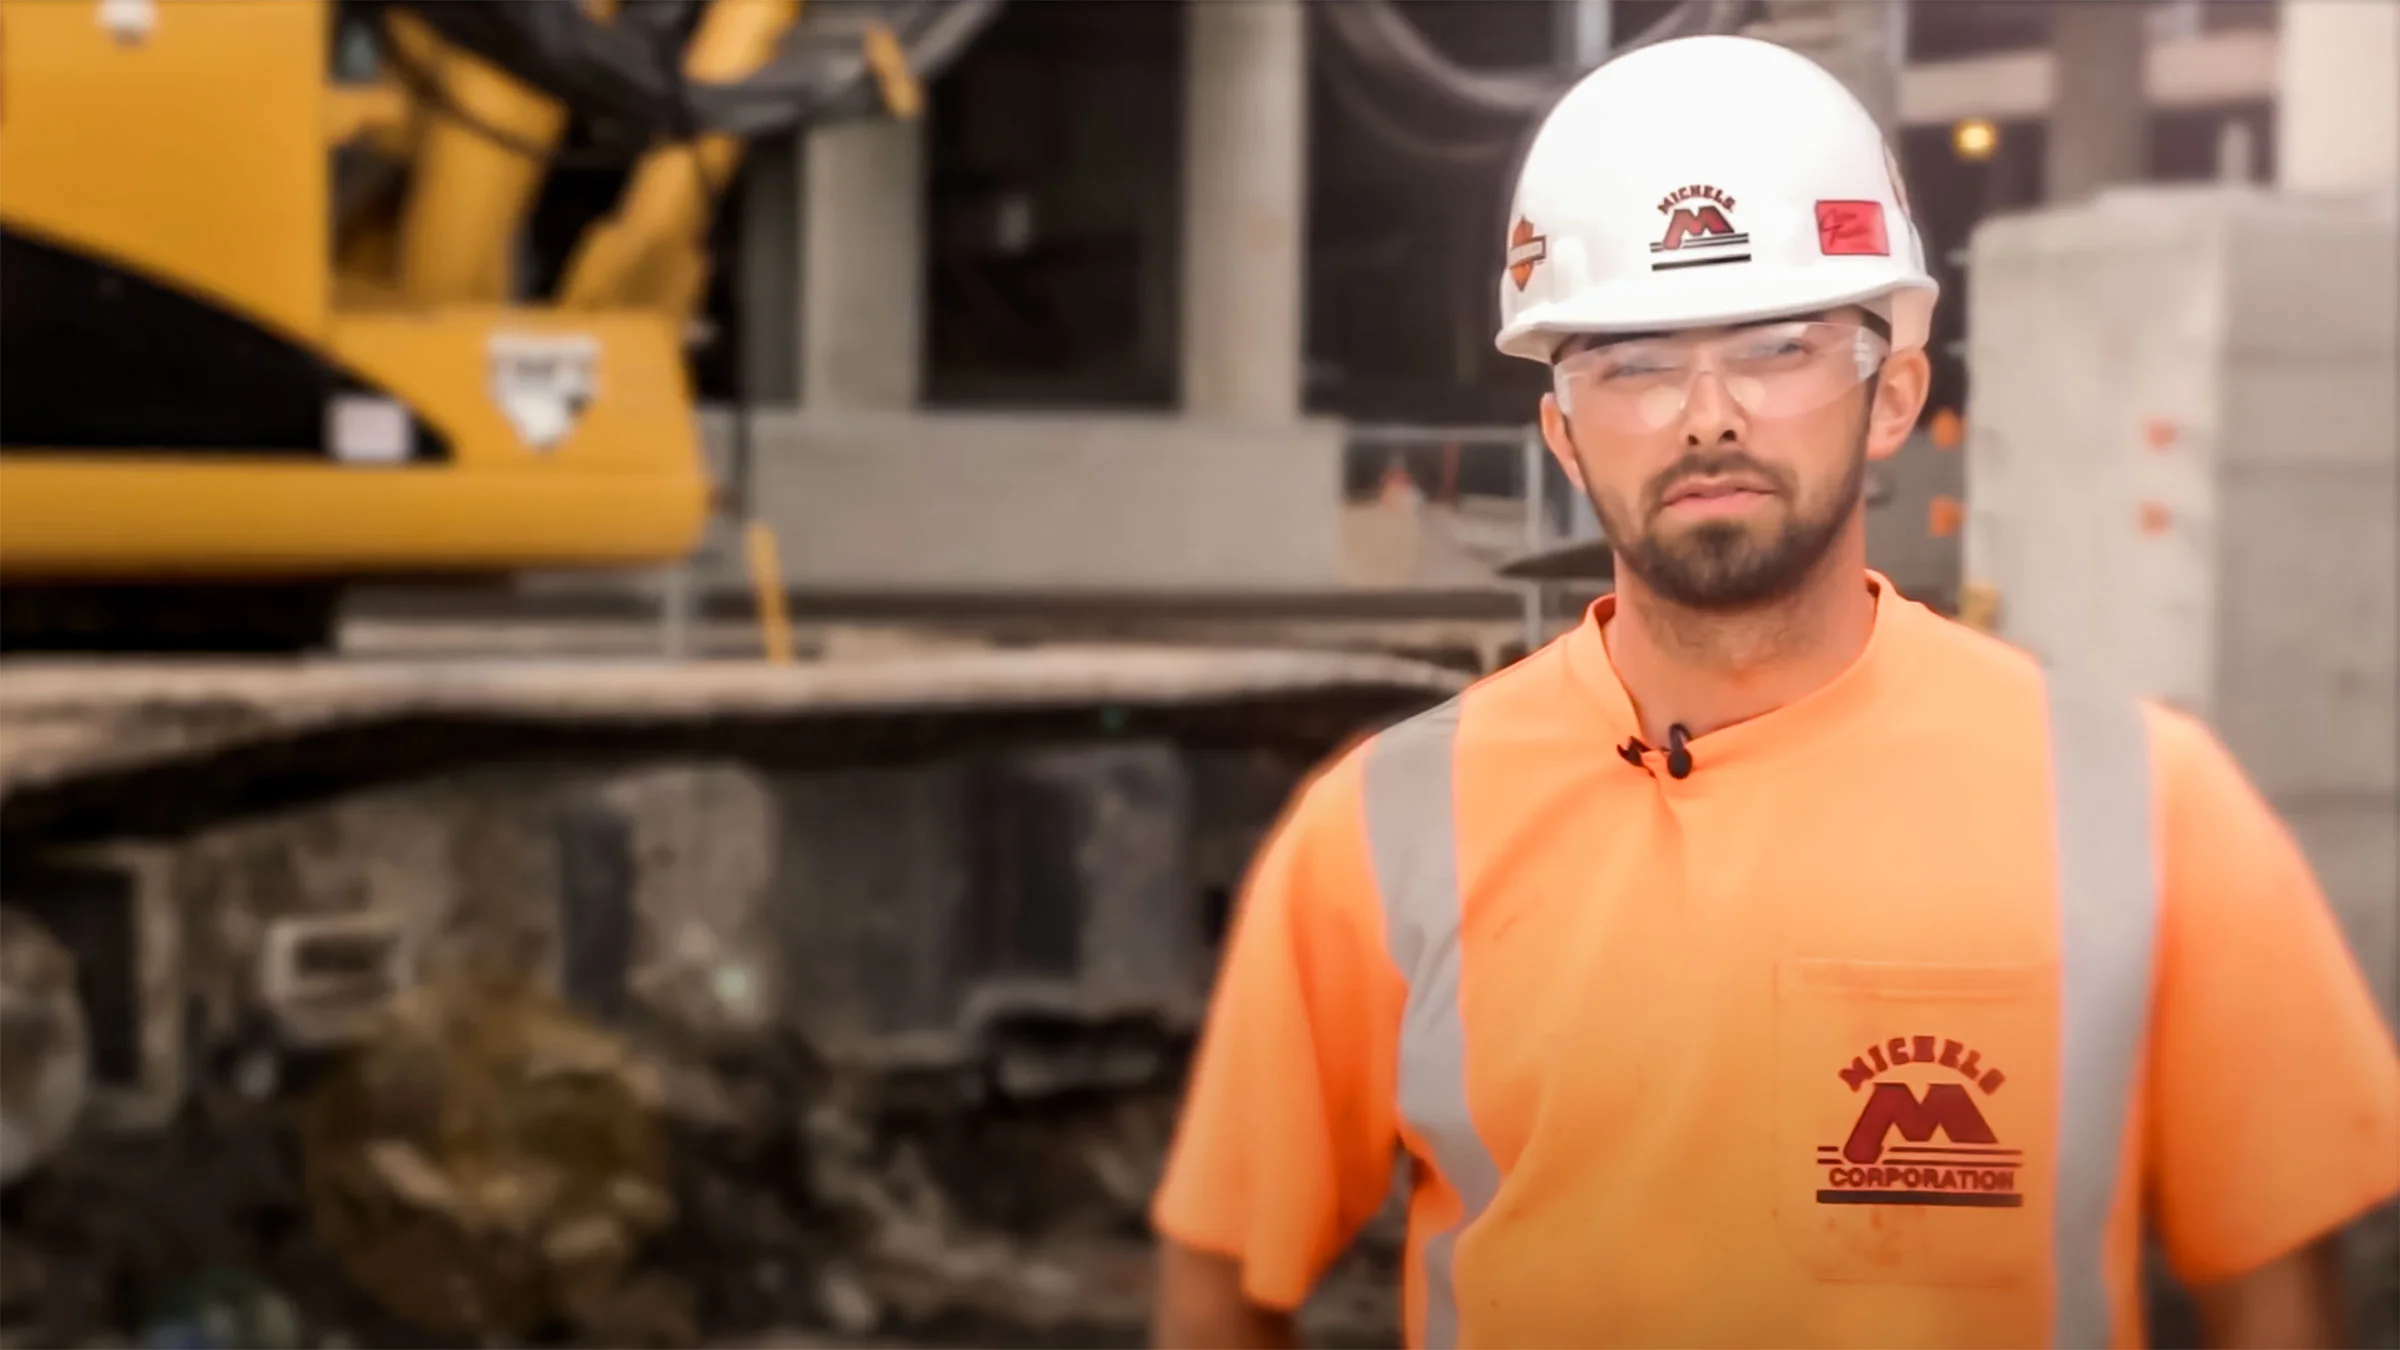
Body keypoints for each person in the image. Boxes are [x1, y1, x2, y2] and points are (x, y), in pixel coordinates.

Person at [1148, 33, 2400, 1350]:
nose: (1707, 416)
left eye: (1778, 348)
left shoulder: (2147, 808)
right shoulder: (1383, 830)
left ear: (1894, 393)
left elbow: (2281, 1298)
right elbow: (1224, 1278)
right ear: (1564, 433)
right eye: (1634, 363)